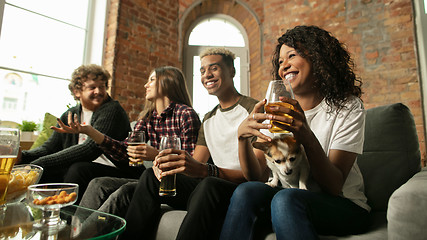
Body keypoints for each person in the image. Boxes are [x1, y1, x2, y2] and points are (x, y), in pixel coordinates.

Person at [219, 25, 370, 240]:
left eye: (292, 55)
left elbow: (334, 186)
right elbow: (258, 176)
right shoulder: (278, 110)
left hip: (345, 205)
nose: (284, 65)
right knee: (246, 191)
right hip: (293, 198)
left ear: (319, 58)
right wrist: (242, 139)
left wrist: (306, 136)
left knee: (286, 198)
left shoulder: (348, 107)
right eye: (280, 61)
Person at [118, 48, 261, 240]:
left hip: (238, 190)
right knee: (150, 176)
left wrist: (205, 171)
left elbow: (257, 176)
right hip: (209, 186)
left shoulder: (254, 109)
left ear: (232, 71)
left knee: (208, 184)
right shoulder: (209, 118)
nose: (207, 75)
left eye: (214, 68)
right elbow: (194, 167)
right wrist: (166, 167)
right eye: (202, 71)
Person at [55, 66, 201, 214]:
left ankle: (85, 234)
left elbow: (191, 164)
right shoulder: (148, 118)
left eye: (151, 80)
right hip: (153, 179)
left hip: (175, 183)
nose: (146, 85)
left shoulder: (185, 114)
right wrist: (91, 132)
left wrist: (156, 154)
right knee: (98, 183)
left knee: (116, 189)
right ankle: (77, 231)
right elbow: (125, 151)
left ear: (167, 81)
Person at [19, 64, 135, 186]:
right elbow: (49, 148)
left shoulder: (112, 110)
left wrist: (38, 165)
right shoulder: (70, 114)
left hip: (116, 169)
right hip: (84, 167)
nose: (99, 91)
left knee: (77, 169)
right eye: (92, 87)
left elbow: (90, 149)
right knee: (45, 173)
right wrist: (23, 157)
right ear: (77, 91)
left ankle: (69, 205)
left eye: (102, 87)